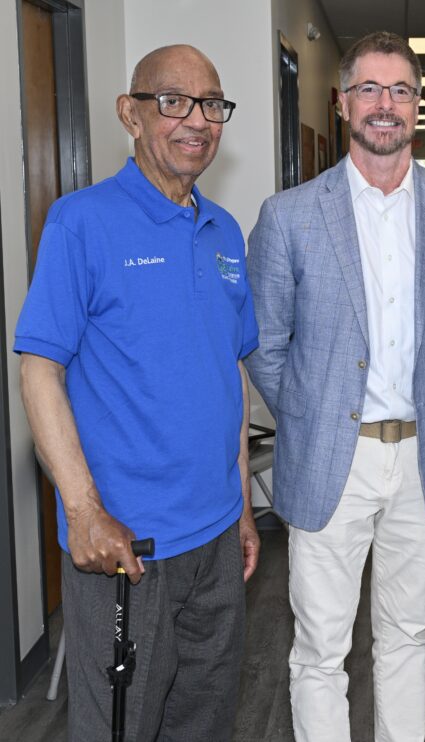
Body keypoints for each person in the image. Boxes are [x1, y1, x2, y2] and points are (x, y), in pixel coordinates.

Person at [245, 30, 425, 742]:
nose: (385, 105)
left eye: (401, 91)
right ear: (343, 101)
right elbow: (266, 344)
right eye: (370, 90)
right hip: (333, 457)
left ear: (416, 105)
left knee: (406, 636)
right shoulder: (289, 216)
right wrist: (314, 414)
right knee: (321, 648)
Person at [15, 45, 260, 742]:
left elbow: (228, 373)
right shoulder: (80, 221)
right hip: (129, 546)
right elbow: (39, 369)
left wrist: (241, 506)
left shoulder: (225, 233)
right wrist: (85, 511)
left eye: (211, 104)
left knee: (205, 719)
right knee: (121, 727)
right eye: (173, 101)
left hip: (214, 536)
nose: (197, 120)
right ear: (131, 112)